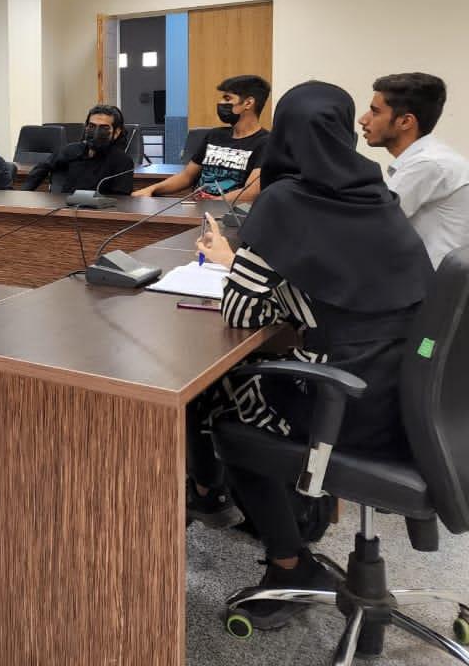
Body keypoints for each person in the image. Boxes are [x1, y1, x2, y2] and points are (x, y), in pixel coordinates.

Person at [194, 81, 431, 630]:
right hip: (409, 401)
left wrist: (234, 259)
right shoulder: (377, 194)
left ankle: (288, 561)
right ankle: (293, 515)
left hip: (347, 406)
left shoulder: (284, 201)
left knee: (222, 402)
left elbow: (241, 312)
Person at [359, 72, 469, 267]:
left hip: (431, 283)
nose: (363, 120)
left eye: (375, 112)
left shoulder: (428, 164)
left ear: (405, 122)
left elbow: (369, 223)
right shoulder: (432, 158)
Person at [134, 75, 270, 202]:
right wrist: (152, 189)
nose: (221, 103)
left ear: (248, 103)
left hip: (229, 214)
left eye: (227, 99)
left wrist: (212, 203)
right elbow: (187, 176)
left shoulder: (266, 142)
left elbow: (251, 192)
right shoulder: (214, 135)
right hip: (197, 209)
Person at [21, 105, 134, 195]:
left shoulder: (123, 162)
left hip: (101, 213)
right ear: (86, 127)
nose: (96, 132)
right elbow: (43, 167)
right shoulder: (71, 150)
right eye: (92, 126)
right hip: (64, 209)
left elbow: (121, 200)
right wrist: (24, 194)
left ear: (116, 132)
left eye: (104, 128)